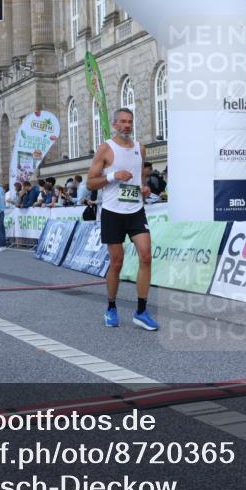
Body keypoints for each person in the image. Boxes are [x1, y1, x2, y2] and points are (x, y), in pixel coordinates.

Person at [86, 107, 159, 331]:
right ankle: (111, 306)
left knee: (146, 257)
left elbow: (138, 179)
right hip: (112, 212)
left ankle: (141, 311)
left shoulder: (141, 149)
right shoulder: (106, 149)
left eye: (130, 121)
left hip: (135, 210)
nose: (127, 125)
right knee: (116, 262)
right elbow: (90, 183)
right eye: (123, 122)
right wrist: (112, 176)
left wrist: (144, 189)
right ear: (115, 124)